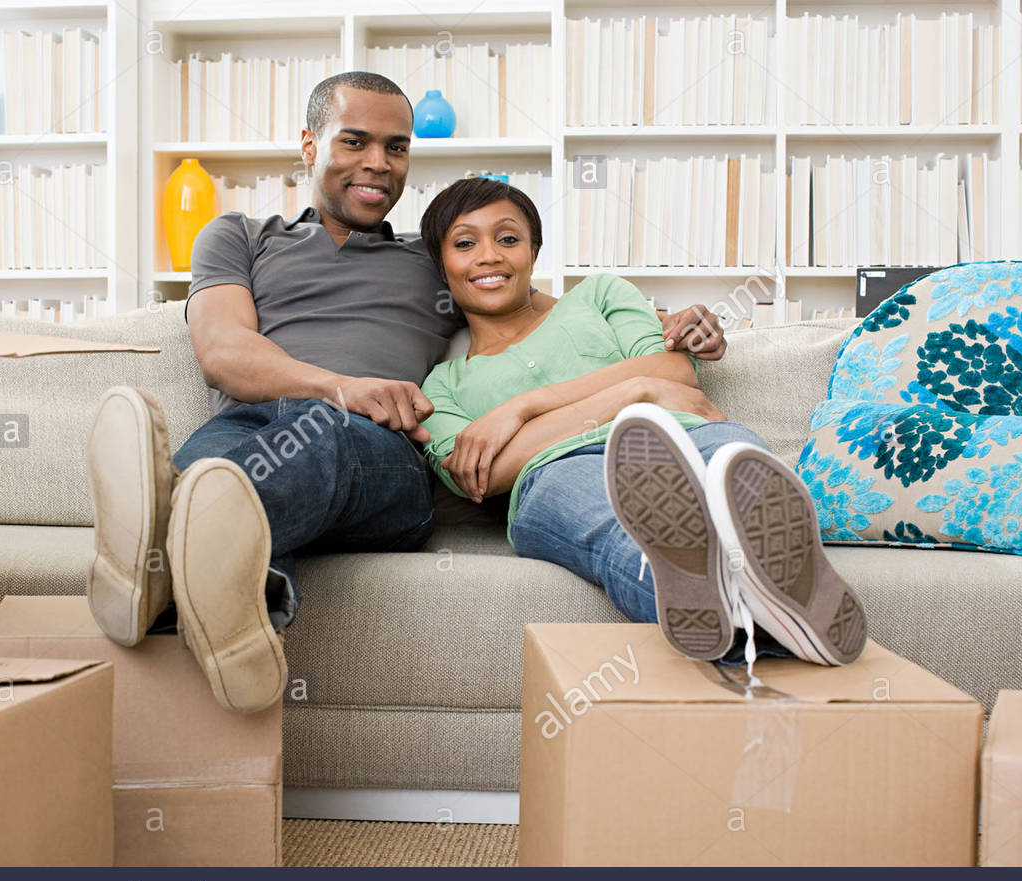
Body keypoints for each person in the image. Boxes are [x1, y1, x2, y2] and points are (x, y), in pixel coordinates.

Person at [84, 72, 728, 714]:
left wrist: (666, 328)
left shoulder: (431, 258)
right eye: (355, 141)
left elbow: (536, 313)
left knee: (314, 441)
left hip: (379, 451)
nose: (378, 164)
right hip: (252, 420)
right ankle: (221, 595)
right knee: (212, 470)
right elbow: (224, 354)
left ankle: (156, 556)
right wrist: (342, 386)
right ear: (309, 145)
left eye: (396, 147)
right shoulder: (239, 237)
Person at [417, 176, 868, 665]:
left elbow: (672, 370)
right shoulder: (441, 385)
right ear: (441, 264)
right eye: (465, 243)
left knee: (738, 470)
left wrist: (521, 411)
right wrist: (635, 391)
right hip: (559, 471)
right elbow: (481, 476)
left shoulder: (599, 295)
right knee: (634, 540)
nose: (490, 255)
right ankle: (770, 619)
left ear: (533, 251)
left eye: (508, 238)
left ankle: (765, 587)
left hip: (685, 430)